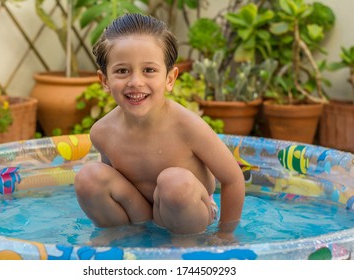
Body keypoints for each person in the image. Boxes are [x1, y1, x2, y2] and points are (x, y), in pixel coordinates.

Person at [74, 13, 245, 240]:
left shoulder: (187, 126)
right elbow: (113, 184)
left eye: (149, 70)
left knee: (174, 183)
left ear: (170, 78)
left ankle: (185, 245)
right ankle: (126, 239)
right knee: (89, 177)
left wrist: (226, 234)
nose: (135, 81)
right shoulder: (103, 132)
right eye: (122, 71)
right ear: (104, 80)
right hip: (141, 213)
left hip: (189, 214)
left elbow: (233, 179)